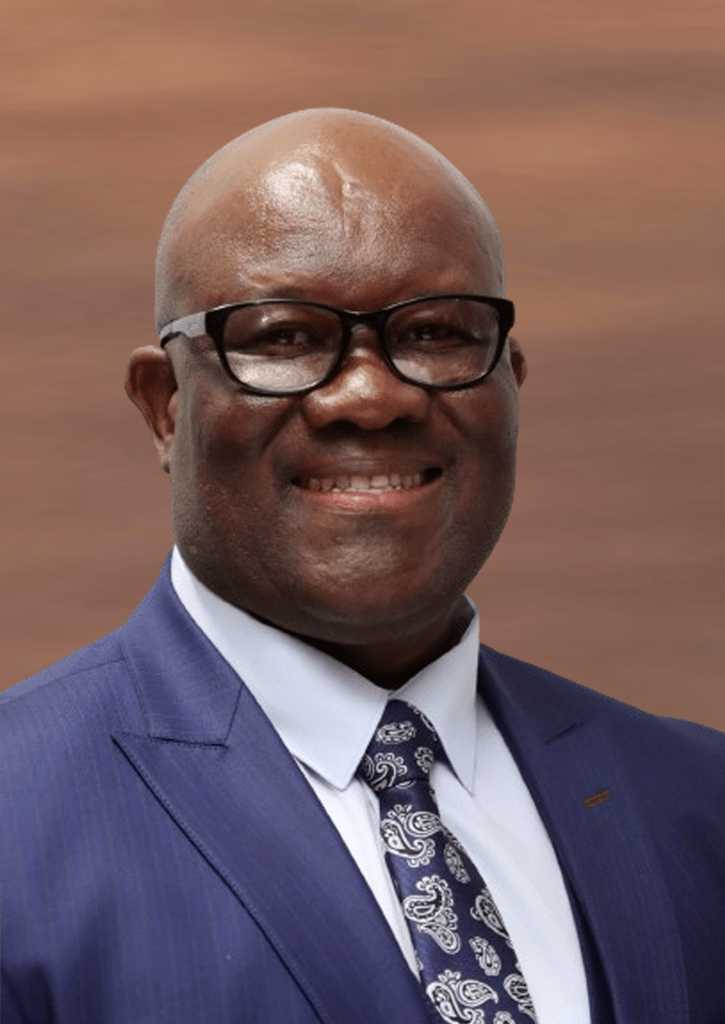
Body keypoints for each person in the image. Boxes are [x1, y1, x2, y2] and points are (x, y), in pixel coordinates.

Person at [2, 109, 723, 1024]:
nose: (372, 396)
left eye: (435, 333)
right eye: (283, 337)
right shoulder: (15, 818)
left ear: (510, 385)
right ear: (165, 406)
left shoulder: (699, 803)